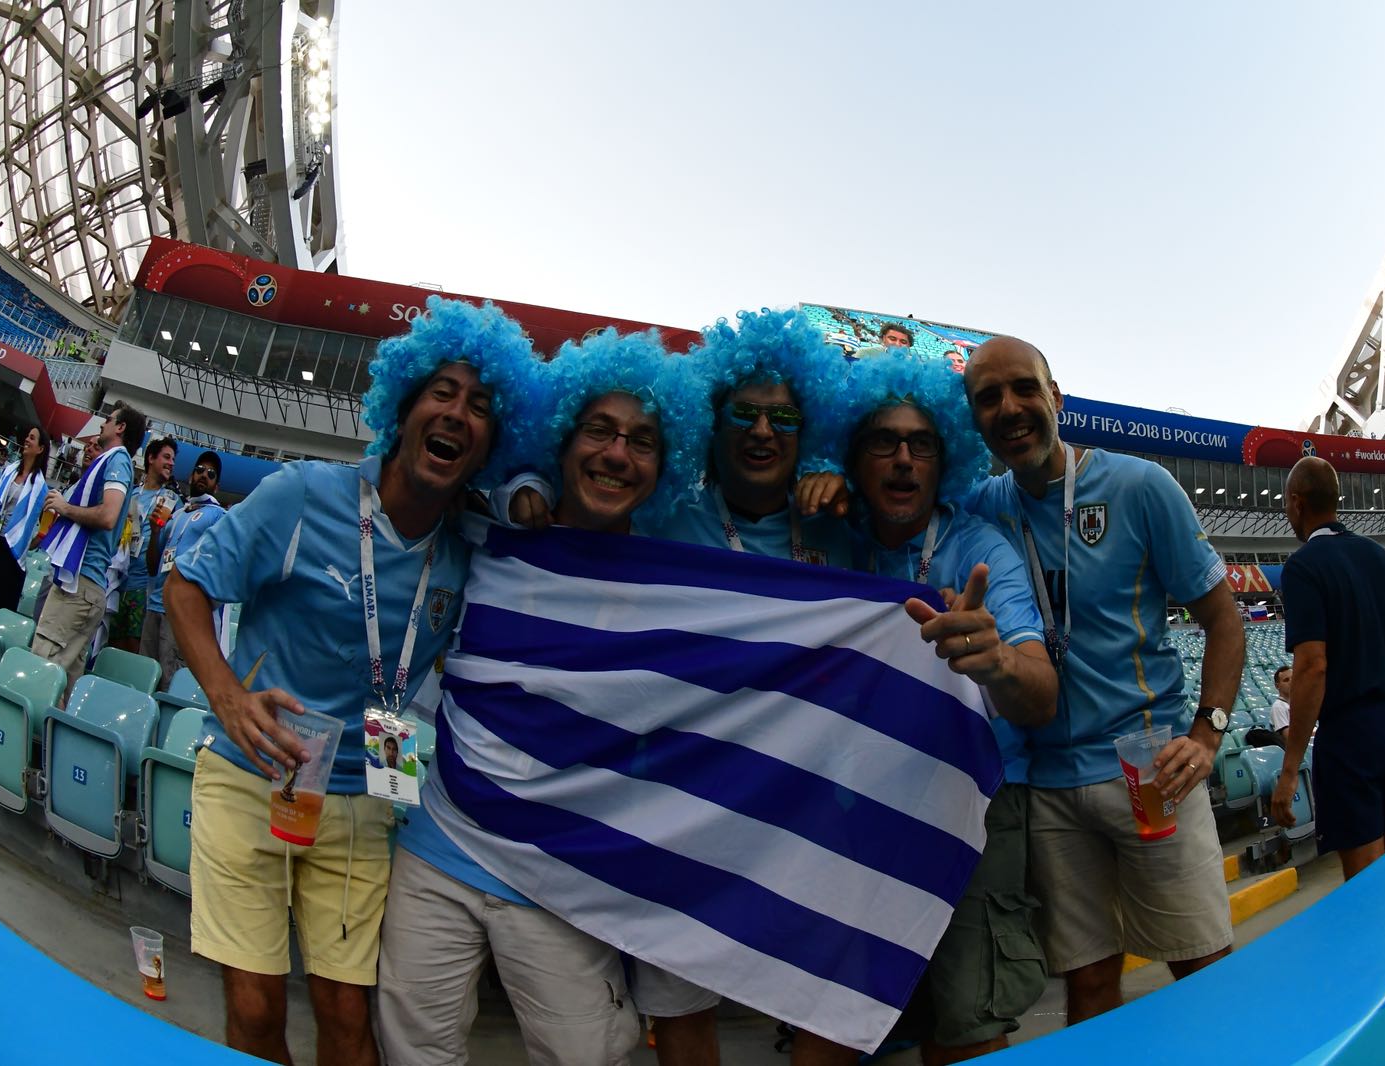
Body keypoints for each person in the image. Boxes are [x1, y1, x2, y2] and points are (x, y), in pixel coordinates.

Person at [166, 298, 537, 1066]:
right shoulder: (303, 495)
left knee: (346, 1020)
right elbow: (185, 584)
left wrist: (529, 491)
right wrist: (228, 698)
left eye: (480, 406)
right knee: (256, 1007)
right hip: (252, 776)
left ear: (489, 446)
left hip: (370, 795)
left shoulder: (470, 548)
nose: (457, 413)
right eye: (442, 392)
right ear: (403, 409)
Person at [499, 306, 857, 1066]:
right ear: (712, 422)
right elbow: (574, 509)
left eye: (786, 417)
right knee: (684, 1015)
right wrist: (521, 482)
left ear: (810, 429)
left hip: (807, 818)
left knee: (824, 1007)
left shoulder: (841, 526)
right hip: (680, 812)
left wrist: (841, 472)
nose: (764, 432)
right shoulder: (665, 519)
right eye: (744, 413)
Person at [378, 329, 705, 1066]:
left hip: (565, 883)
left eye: (643, 441)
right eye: (598, 430)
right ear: (558, 439)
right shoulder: (484, 531)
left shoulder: (678, 589)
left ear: (664, 465)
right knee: (411, 1054)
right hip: (438, 853)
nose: (617, 454)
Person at [959, 336, 1242, 1022]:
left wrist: (1208, 734)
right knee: (1086, 988)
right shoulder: (981, 508)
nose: (1010, 408)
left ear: (1057, 399)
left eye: (1025, 388)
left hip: (1150, 769)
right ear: (973, 420)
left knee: (1202, 964)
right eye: (988, 398)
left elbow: (1224, 620)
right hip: (1052, 787)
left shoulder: (1140, 486)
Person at [794, 354, 1055, 1065]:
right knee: (836, 1018)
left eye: (922, 444)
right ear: (854, 456)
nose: (904, 459)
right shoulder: (827, 538)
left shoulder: (980, 548)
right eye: (883, 441)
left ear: (946, 460)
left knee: (966, 1025)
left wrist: (998, 662)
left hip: (972, 804)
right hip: (859, 809)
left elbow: (1039, 691)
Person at [1274, 457, 1385, 881]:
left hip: (1350, 734)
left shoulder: (1302, 567)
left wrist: (1289, 770)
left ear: (1297, 503)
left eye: (1286, 505)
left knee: (1369, 886)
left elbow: (1313, 666)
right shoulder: (1382, 558)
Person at [32, 404, 146, 684]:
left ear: (120, 428)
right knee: (64, 683)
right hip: (88, 587)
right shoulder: (115, 461)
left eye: (108, 419)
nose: (101, 425)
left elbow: (108, 516)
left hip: (79, 585)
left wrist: (64, 507)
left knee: (42, 669)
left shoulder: (117, 461)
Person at [144, 451, 225, 689]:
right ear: (190, 476)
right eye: (200, 469)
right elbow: (152, 566)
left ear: (216, 486)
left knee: (169, 685)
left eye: (211, 474)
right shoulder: (176, 515)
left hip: (181, 613)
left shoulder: (219, 515)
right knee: (144, 680)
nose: (204, 475)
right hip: (155, 605)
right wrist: (156, 531)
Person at [112, 436, 176, 653]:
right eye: (166, 457)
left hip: (144, 587)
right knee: (111, 647)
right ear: (151, 458)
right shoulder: (131, 494)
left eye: (173, 459)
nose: (171, 463)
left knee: (133, 650)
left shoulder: (171, 501)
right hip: (117, 581)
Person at [0, 425, 49, 614]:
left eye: (32, 438)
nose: (27, 440)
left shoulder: (40, 487)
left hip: (11, 548)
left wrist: (30, 542)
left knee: (1, 603)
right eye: (27, 437)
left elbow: (43, 527)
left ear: (41, 449)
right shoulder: (10, 470)